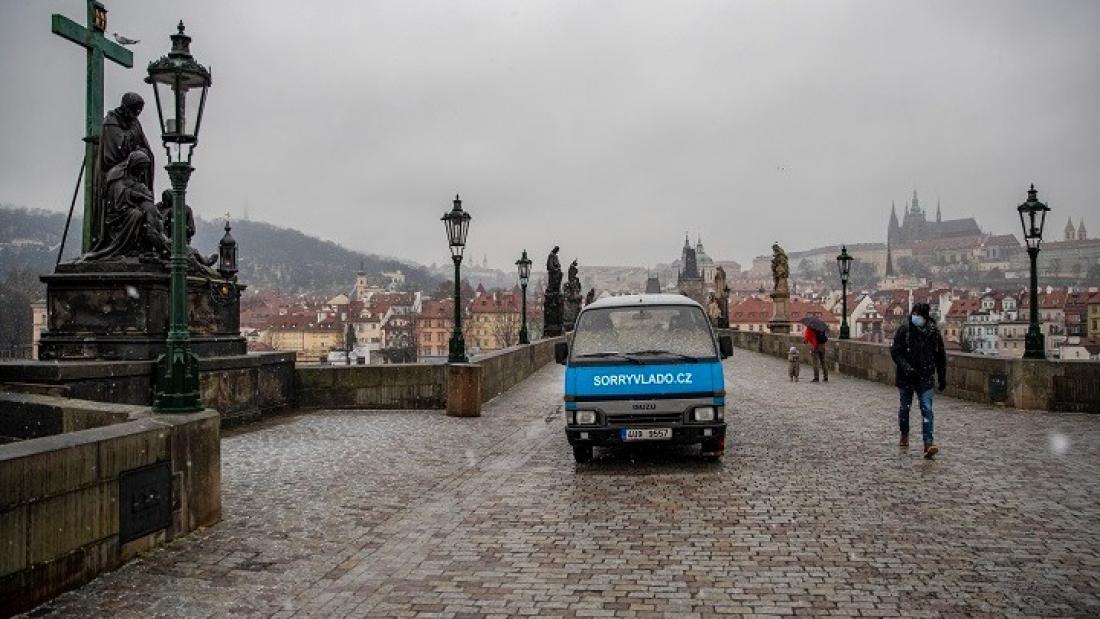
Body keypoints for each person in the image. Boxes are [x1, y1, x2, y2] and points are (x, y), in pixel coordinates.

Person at [890, 302, 947, 459]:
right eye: (914, 314)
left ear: (925, 317)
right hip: (906, 376)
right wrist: (907, 368)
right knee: (905, 408)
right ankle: (904, 433)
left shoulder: (933, 332)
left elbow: (940, 356)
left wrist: (942, 377)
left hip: (925, 375)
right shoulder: (904, 330)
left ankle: (928, 443)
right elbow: (895, 352)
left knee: (927, 409)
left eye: (918, 315)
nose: (915, 317)